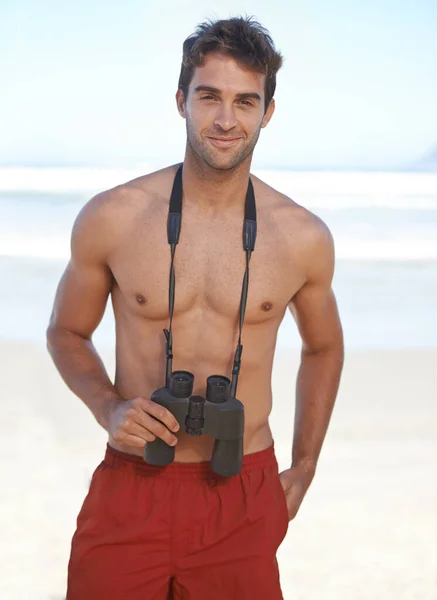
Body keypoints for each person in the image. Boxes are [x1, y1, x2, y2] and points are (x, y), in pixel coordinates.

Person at [47, 16, 344, 600]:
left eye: (245, 101)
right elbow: (66, 331)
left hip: (242, 486)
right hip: (133, 482)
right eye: (209, 96)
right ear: (182, 100)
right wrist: (108, 407)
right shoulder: (114, 217)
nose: (226, 119)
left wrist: (304, 468)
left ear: (268, 112)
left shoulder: (302, 237)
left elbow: (324, 345)